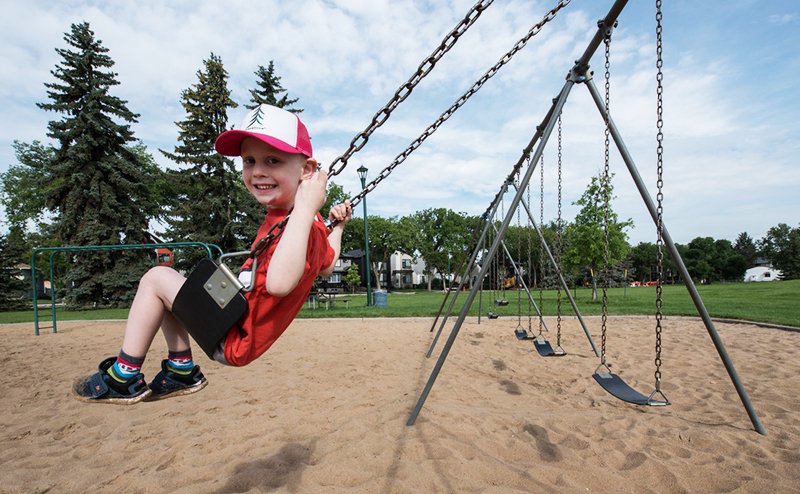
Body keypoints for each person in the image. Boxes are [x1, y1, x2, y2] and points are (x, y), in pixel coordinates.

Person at [74, 104, 352, 404]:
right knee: (173, 291)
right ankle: (180, 370)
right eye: (249, 161)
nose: (258, 171)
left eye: (273, 160)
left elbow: (280, 284)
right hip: (232, 316)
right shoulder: (306, 222)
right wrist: (337, 227)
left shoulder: (301, 223)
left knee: (156, 278)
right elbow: (327, 265)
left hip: (235, 334)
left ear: (307, 170)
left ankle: (123, 376)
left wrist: (307, 209)